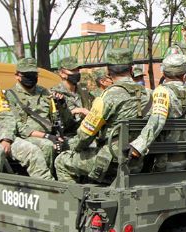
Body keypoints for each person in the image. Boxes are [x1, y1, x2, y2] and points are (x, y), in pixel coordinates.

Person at [55, 48, 145, 183]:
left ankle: (75, 197)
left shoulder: (107, 97)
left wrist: (73, 148)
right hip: (138, 162)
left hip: (111, 161)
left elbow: (85, 135)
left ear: (108, 71)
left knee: (61, 161)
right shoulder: (149, 94)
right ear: (131, 69)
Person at [2, 57, 73, 175]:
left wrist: (62, 105)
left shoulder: (46, 92)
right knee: (47, 146)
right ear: (17, 76)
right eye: (27, 75)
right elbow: (18, 126)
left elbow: (65, 121)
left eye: (34, 74)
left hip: (51, 135)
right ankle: (47, 180)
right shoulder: (10, 95)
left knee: (73, 144)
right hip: (26, 138)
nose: (31, 77)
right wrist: (46, 136)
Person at [128, 53, 186, 173]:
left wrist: (138, 147)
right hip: (184, 157)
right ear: (184, 75)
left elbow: (157, 121)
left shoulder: (162, 92)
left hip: (162, 159)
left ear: (164, 74)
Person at [52, 56, 93, 131]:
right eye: (73, 70)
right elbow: (55, 120)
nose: (77, 73)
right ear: (62, 73)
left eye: (77, 70)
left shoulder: (83, 90)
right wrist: (74, 111)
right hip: (68, 133)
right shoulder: (55, 94)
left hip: (87, 130)